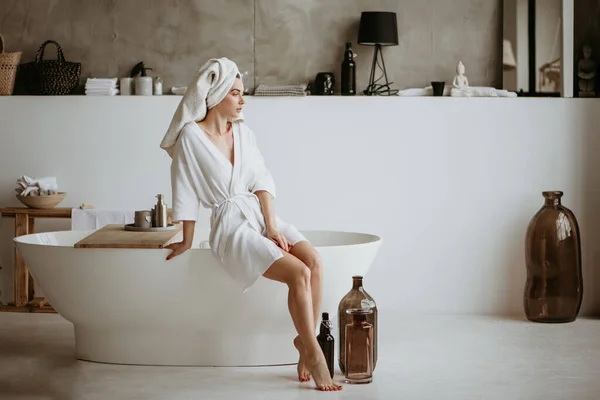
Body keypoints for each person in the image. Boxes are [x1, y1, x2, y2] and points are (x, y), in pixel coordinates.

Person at [159, 57, 342, 392]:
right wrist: (186, 239)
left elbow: (261, 180)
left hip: (260, 214)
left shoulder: (243, 132)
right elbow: (183, 187)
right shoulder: (190, 138)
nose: (243, 100)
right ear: (214, 96)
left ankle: (304, 342)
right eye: (235, 93)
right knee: (298, 273)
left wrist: (272, 227)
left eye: (242, 93)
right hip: (231, 227)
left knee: (314, 261)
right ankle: (314, 353)